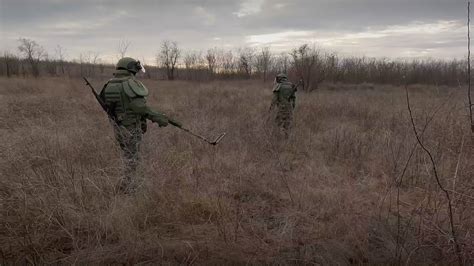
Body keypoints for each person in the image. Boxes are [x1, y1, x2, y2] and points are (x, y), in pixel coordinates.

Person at [99, 57, 181, 193]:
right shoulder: (129, 84)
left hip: (119, 127)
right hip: (130, 127)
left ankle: (127, 185)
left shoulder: (109, 84)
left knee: (127, 155)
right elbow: (140, 108)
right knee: (132, 159)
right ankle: (126, 188)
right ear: (131, 69)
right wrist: (159, 117)